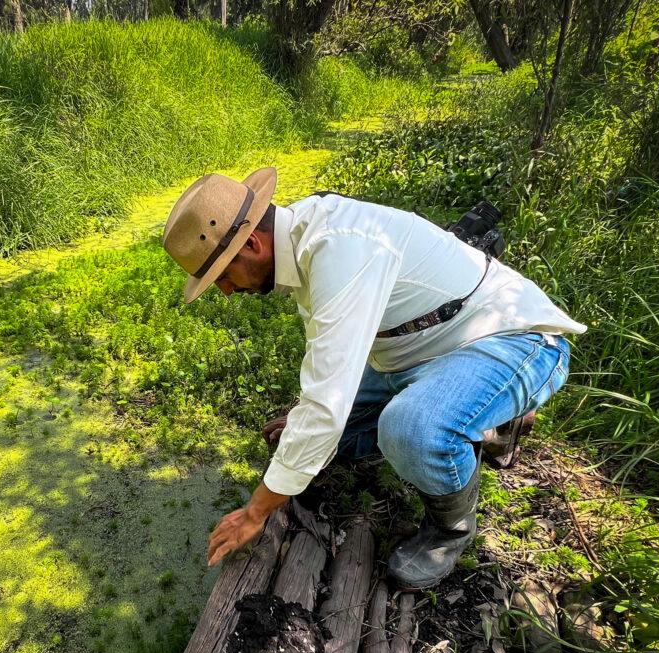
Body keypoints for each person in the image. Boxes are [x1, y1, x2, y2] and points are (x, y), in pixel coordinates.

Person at [160, 167, 586, 589]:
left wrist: (256, 511)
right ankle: (489, 422)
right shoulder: (303, 236)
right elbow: (331, 363)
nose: (228, 292)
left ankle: (451, 529)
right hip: (419, 348)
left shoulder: (340, 250)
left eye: (223, 277)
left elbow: (327, 403)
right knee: (318, 444)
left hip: (513, 341)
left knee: (410, 430)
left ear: (252, 243)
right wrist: (305, 429)